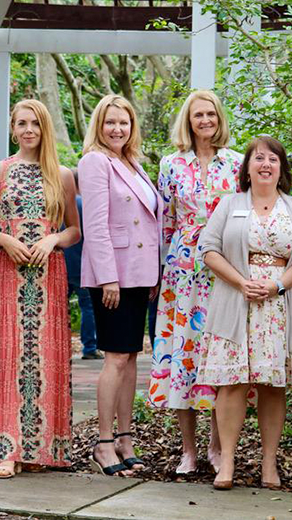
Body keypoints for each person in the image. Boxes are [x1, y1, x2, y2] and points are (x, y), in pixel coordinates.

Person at [196, 136, 292, 490]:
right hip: (237, 302)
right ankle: (228, 462)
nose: (266, 164)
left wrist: (277, 285)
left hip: (279, 306)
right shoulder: (229, 203)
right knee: (232, 384)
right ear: (247, 168)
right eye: (259, 158)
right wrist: (240, 282)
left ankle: (269, 463)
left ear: (281, 169)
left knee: (272, 386)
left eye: (273, 159)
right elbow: (208, 249)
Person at [0, 99, 80, 479]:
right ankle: (8, 450)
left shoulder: (63, 175)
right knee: (9, 359)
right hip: (9, 272)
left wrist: (53, 241)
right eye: (21, 123)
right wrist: (5, 240)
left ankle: (40, 450)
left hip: (48, 274)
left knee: (44, 360)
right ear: (12, 128)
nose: (28, 130)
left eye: (34, 123)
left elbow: (74, 230)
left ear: (44, 127)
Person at [148, 90, 242, 474]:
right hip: (181, 272)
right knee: (181, 355)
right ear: (188, 121)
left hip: (222, 270)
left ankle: (218, 447)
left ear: (219, 119)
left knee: (217, 356)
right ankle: (188, 450)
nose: (205, 120)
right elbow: (164, 221)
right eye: (197, 115)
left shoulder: (237, 164)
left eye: (210, 114)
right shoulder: (171, 164)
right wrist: (159, 269)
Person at [78, 94, 162, 477]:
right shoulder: (95, 162)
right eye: (110, 122)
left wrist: (154, 273)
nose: (117, 129)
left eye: (124, 123)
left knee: (130, 359)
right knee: (114, 359)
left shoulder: (133, 162)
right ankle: (104, 441)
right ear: (99, 124)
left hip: (139, 275)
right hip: (112, 276)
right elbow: (95, 225)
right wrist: (108, 276)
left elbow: (151, 222)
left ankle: (126, 438)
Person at [65, 169, 100, 360]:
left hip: (61, 263)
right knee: (88, 306)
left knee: (60, 308)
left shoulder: (60, 204)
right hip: (81, 264)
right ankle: (89, 347)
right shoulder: (84, 204)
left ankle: (61, 346)